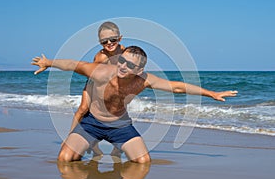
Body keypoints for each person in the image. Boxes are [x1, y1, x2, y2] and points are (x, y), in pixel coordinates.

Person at [32, 46, 238, 163]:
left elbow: (177, 87)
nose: (123, 66)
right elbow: (73, 65)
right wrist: (48, 62)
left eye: (130, 65)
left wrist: (211, 93)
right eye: (122, 60)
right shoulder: (101, 72)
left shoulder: (143, 80)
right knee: (65, 159)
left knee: (143, 162)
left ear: (139, 70)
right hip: (91, 123)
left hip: (121, 126)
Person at [70, 21, 125, 157]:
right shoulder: (100, 57)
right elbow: (91, 73)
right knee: (83, 109)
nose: (109, 43)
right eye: (104, 41)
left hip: (114, 87)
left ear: (120, 38)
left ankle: (117, 149)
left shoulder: (125, 52)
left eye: (113, 40)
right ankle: (71, 138)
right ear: (100, 42)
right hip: (94, 84)